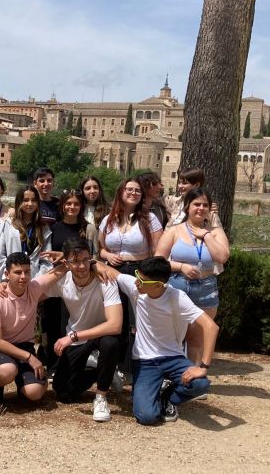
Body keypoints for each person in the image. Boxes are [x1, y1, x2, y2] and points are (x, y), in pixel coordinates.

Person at [97, 257, 218, 424]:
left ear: (158, 285)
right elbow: (109, 270)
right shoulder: (136, 288)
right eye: (137, 275)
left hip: (173, 357)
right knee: (146, 417)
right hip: (145, 361)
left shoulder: (177, 298)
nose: (137, 282)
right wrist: (91, 264)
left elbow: (211, 327)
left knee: (200, 384)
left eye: (142, 280)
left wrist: (203, 367)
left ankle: (169, 397)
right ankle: (152, 393)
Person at [46, 238, 122, 421]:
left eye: (86, 260)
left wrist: (72, 336)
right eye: (75, 261)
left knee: (110, 343)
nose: (81, 266)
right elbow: (30, 291)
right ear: (66, 263)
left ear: (91, 259)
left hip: (100, 334)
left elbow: (115, 325)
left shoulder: (105, 279)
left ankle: (101, 396)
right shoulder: (61, 280)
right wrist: (4, 286)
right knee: (63, 392)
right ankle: (105, 371)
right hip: (78, 338)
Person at [98, 178, 163, 378]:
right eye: (129, 189)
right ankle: (116, 365)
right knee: (116, 317)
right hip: (112, 273)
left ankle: (135, 365)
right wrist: (108, 256)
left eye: (137, 190)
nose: (133, 193)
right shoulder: (109, 218)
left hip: (138, 271)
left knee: (137, 319)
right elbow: (101, 249)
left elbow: (157, 250)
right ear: (121, 192)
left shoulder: (150, 219)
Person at [0, 252, 62, 406]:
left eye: (27, 271)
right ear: (6, 274)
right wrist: (30, 358)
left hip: (23, 345)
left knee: (35, 393)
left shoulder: (34, 288)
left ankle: (24, 384)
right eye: (17, 272)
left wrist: (66, 258)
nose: (23, 276)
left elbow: (60, 271)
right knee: (7, 371)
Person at [156, 188, 229, 363]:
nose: (201, 208)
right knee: (173, 337)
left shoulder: (216, 231)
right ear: (188, 207)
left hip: (206, 288)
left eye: (205, 205)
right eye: (197, 204)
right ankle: (171, 376)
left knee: (197, 338)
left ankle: (193, 378)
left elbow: (222, 256)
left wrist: (207, 236)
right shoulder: (174, 231)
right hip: (178, 285)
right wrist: (181, 267)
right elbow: (158, 261)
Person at [40, 189, 88, 370]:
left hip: (80, 282)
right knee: (53, 322)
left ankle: (73, 363)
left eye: (76, 204)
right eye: (68, 203)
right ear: (62, 206)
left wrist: (65, 256)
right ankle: (53, 363)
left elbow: (92, 255)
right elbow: (46, 255)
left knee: (75, 322)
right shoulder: (52, 229)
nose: (72, 207)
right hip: (57, 281)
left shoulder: (86, 228)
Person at [0, 185, 52, 281]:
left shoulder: (43, 228)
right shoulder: (8, 224)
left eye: (33, 200)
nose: (30, 203)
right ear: (19, 202)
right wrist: (8, 276)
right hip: (10, 280)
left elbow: (47, 259)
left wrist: (37, 280)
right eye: (25, 200)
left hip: (34, 280)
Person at [80, 175, 109, 257]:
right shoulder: (76, 209)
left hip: (101, 256)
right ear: (82, 191)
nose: (92, 191)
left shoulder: (108, 211)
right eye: (88, 188)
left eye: (95, 187)